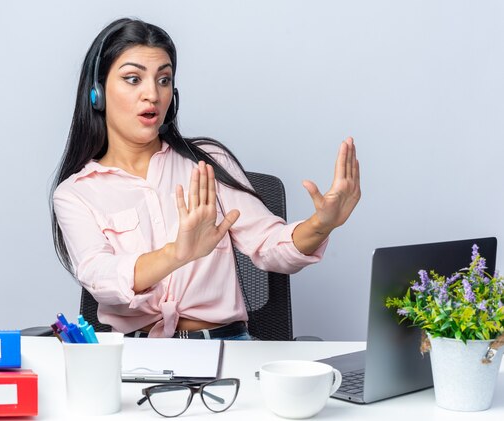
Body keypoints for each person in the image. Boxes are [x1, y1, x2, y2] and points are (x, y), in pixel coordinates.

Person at [51, 18, 360, 339]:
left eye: (164, 79)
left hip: (228, 347)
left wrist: (321, 225)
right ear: (97, 93)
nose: (152, 94)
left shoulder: (207, 161)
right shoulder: (76, 193)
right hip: (138, 356)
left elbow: (270, 245)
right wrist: (177, 253)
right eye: (133, 79)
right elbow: (101, 278)